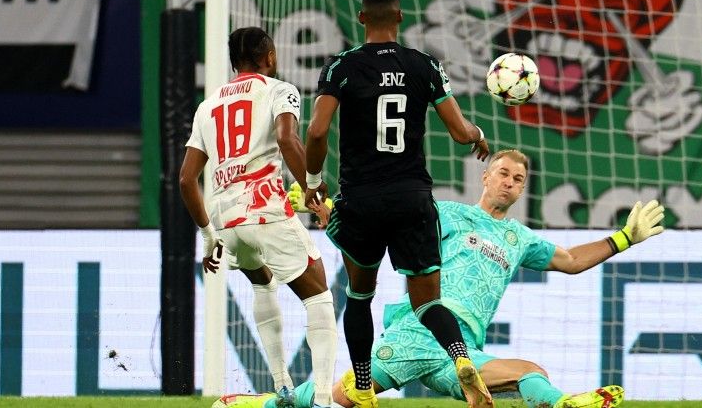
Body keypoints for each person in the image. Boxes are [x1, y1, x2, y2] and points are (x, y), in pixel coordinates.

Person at [212, 148, 663, 408]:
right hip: (418, 332)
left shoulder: (519, 238)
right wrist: (328, 213)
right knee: (339, 399)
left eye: (519, 178)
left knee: (530, 373)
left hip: (462, 350)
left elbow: (570, 259)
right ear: (485, 177)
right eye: (503, 172)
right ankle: (266, 402)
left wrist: (624, 238)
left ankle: (564, 403)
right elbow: (380, 239)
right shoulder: (444, 214)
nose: (510, 181)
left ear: (523, 189)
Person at [302, 0, 492, 407]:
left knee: (359, 295)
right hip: (412, 198)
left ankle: (365, 388)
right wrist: (478, 135)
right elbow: (461, 133)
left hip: (360, 200)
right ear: (401, 17)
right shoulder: (423, 66)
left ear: (361, 17)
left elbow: (316, 132)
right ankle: (461, 359)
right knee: (427, 303)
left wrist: (313, 179)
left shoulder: (341, 68)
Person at [179, 27, 337, 408]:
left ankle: (283, 388)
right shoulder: (279, 90)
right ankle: (320, 399)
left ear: (234, 62)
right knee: (319, 298)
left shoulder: (208, 105)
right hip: (263, 207)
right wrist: (314, 186)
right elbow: (287, 139)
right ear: (268, 56)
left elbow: (186, 179)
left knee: (263, 285)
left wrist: (207, 236)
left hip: (225, 219)